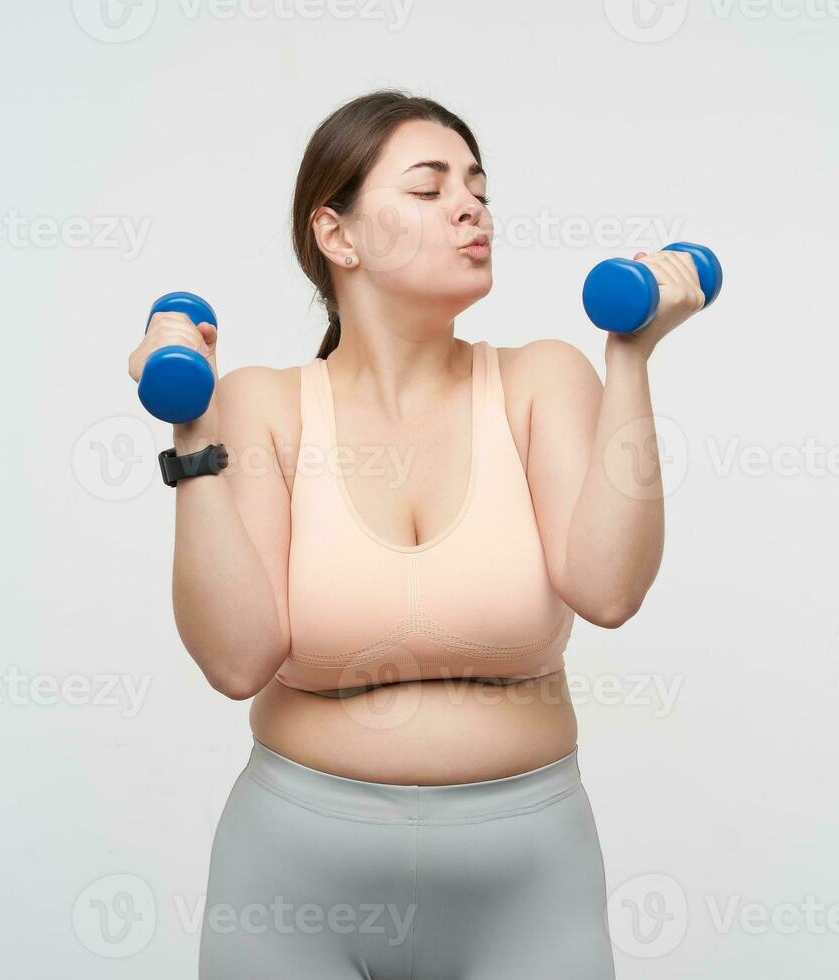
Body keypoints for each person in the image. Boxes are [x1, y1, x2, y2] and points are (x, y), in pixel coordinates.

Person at [127, 89, 706, 979]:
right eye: (429, 189)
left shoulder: (540, 382)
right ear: (339, 236)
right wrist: (192, 430)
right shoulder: (262, 404)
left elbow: (610, 590)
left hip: (528, 878)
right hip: (291, 882)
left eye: (477, 185)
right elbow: (236, 662)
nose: (471, 207)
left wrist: (630, 361)